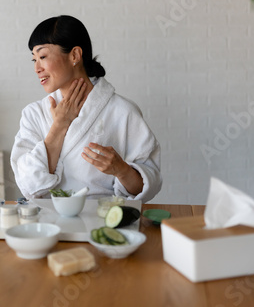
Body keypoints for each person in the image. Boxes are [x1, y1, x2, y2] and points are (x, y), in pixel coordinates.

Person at [10, 15, 162, 203]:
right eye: (34, 60)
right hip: (49, 223)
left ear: (74, 55)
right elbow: (27, 185)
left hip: (103, 220)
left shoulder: (122, 111)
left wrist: (122, 170)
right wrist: (59, 125)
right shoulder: (33, 114)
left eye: (42, 56)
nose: (37, 68)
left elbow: (148, 186)